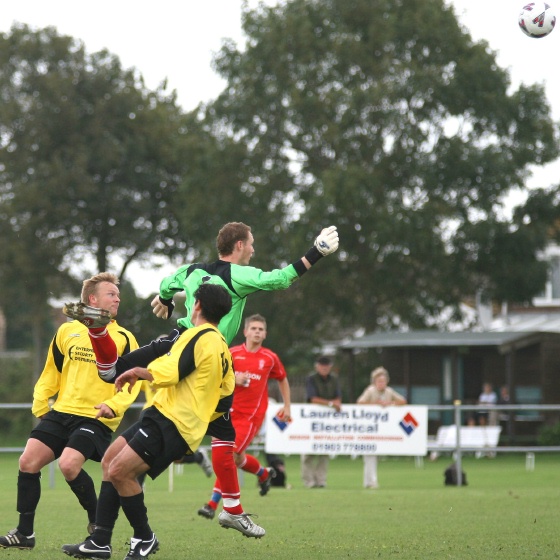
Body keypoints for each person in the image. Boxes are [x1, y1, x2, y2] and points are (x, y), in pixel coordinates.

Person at [62, 283, 256, 560]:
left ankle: (144, 537)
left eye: (191, 300)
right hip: (162, 415)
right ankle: (100, 541)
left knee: (119, 472)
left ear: (197, 306)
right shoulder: (220, 344)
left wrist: (140, 372)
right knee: (109, 462)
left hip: (174, 423)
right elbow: (226, 392)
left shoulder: (200, 336)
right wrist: (213, 423)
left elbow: (173, 369)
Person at [0, 272, 140, 551]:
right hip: (61, 411)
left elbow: (132, 384)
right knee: (27, 461)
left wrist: (113, 405)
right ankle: (25, 534)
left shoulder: (124, 337)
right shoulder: (67, 331)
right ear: (92, 299)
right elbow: (51, 371)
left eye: (118, 295)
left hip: (96, 416)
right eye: (111, 294)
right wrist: (41, 402)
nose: (117, 299)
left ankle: (97, 527)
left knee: (68, 464)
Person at [198, 314, 291, 520]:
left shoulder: (269, 358)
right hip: (226, 413)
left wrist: (287, 406)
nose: (257, 332)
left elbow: (282, 379)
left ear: (265, 334)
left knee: (228, 456)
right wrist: (233, 378)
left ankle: (212, 504)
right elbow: (216, 377)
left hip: (251, 417)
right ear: (245, 331)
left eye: (261, 329)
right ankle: (264, 474)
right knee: (237, 458)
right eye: (254, 328)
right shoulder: (232, 353)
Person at [356, 366, 407, 489]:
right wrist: (376, 405)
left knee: (374, 456)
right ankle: (371, 481)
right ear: (374, 382)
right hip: (369, 428)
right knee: (369, 454)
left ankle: (369, 481)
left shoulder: (389, 391)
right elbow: (360, 402)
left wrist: (390, 404)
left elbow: (402, 401)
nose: (381, 384)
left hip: (382, 431)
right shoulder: (370, 391)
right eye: (379, 381)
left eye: (383, 381)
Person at [300, 356, 342, 488]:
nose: (324, 368)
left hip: (327, 420)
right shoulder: (311, 379)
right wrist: (330, 403)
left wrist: (334, 403)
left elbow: (338, 398)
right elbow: (313, 399)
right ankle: (309, 481)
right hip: (311, 419)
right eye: (322, 365)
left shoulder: (334, 379)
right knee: (308, 452)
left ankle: (321, 480)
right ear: (316, 366)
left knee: (325, 450)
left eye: (327, 365)